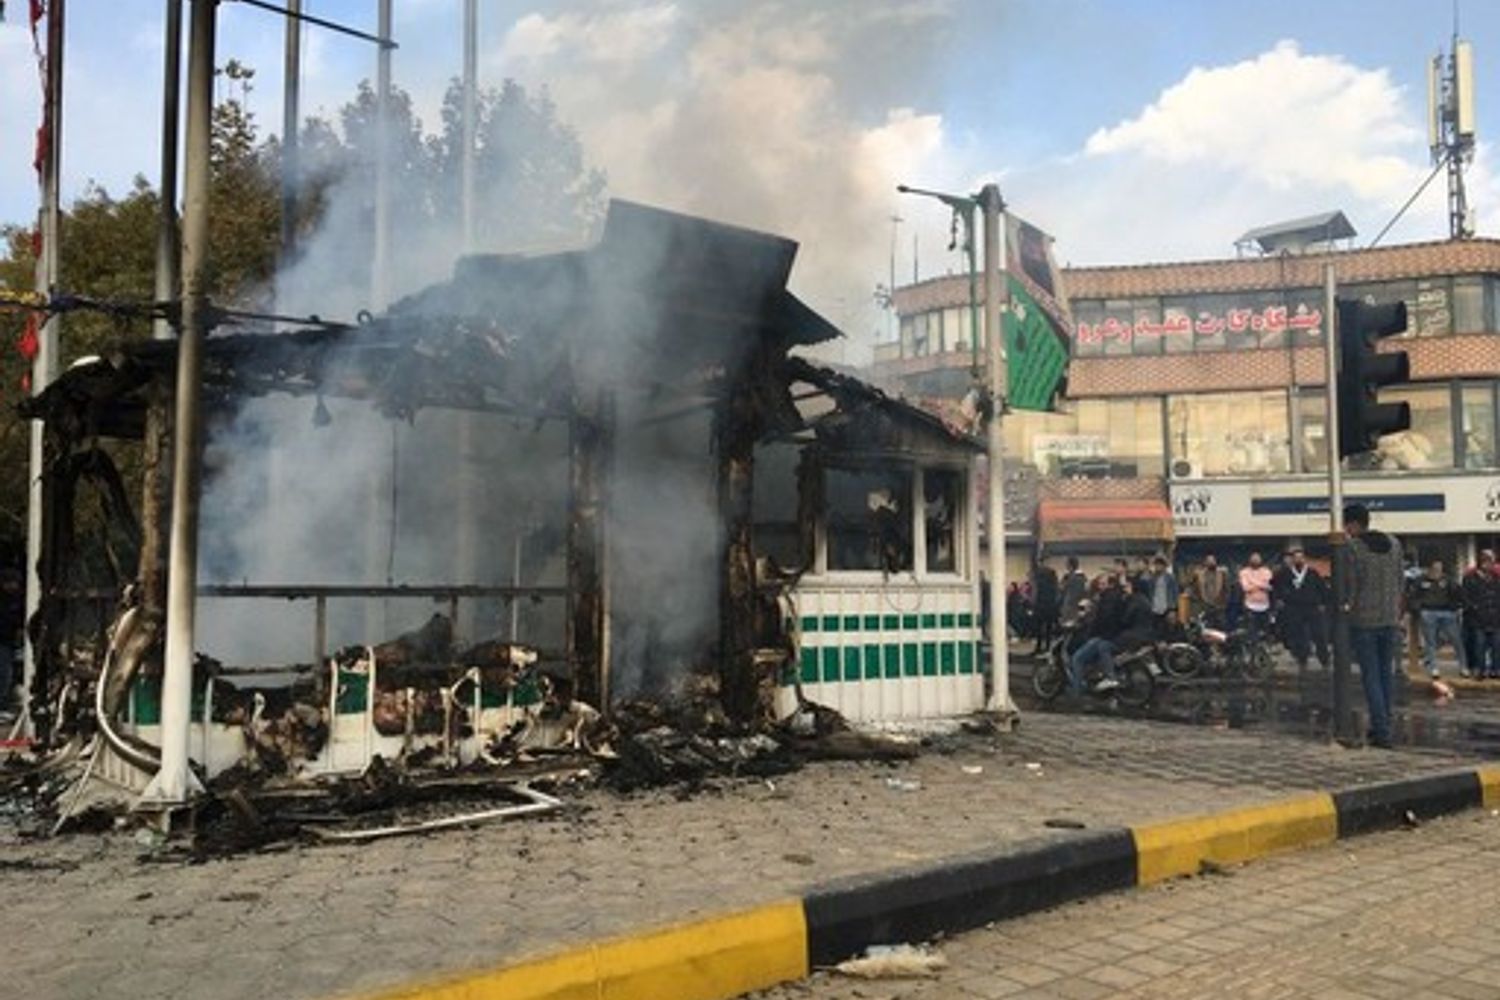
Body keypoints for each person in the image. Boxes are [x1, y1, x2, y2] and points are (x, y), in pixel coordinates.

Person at [1342, 503, 1404, 749]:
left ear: (1353, 524)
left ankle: (1381, 731)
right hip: (1390, 619)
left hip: (1364, 621)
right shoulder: (1394, 544)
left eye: (1347, 525)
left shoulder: (1353, 547)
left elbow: (1351, 585)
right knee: (1385, 674)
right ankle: (1384, 724)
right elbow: (1400, 581)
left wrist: (1347, 607)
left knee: (1371, 678)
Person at [1408, 559, 1466, 679]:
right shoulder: (1420, 581)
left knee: (1456, 640)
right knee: (1430, 641)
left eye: (1440, 568)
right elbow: (1413, 596)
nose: (1437, 571)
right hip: (1428, 611)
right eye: (1435, 568)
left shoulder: (1448, 580)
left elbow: (1458, 593)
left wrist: (1456, 606)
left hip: (1447, 612)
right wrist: (1418, 608)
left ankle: (1463, 667)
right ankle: (1433, 668)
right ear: (1430, 569)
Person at [1274, 548, 1329, 672]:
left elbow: (1322, 588)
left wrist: (1323, 603)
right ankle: (1302, 659)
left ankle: (1324, 659)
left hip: (1312, 607)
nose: (1298, 559)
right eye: (1296, 557)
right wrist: (1280, 599)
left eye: (1301, 557)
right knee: (1298, 635)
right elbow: (1275, 586)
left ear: (1304, 559)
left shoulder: (1312, 573)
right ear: (1293, 559)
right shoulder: (1285, 573)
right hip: (1294, 608)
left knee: (1318, 634)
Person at [1461, 550, 1500, 679]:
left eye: (1491, 561)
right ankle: (1480, 670)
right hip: (1478, 619)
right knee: (1479, 645)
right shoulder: (1470, 577)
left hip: (1495, 618)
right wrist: (1473, 608)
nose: (1489, 564)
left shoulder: (1497, 577)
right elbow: (1465, 597)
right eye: (1486, 561)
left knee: (1496, 645)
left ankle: (1496, 670)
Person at [1238, 552, 1274, 645]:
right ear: (1249, 560)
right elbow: (1245, 588)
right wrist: (1262, 584)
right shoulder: (1244, 572)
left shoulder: (1267, 571)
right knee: (1252, 631)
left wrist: (1253, 583)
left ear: (1261, 560)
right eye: (1253, 559)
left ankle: (1265, 650)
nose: (1255, 561)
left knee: (1266, 631)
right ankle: (1253, 650)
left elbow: (1270, 587)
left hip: (1265, 606)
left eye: (1257, 559)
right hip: (1250, 606)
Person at [1190, 554, 1230, 628]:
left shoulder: (1222, 573)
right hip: (1204, 605)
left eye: (1212, 560)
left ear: (1216, 562)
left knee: (1220, 627)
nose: (1211, 562)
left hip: (1219, 606)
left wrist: (1224, 602)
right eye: (1209, 561)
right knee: (1205, 628)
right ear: (1205, 563)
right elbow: (1193, 588)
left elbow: (1227, 589)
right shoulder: (1199, 574)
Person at [1031, 556, 1060, 655]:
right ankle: (1046, 647)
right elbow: (1056, 588)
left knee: (1041, 627)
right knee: (1047, 627)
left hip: (1042, 603)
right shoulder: (1052, 573)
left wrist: (1033, 602)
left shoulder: (1038, 573)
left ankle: (1040, 647)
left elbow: (1035, 589)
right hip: (1048, 603)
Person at [1146, 555, 1179, 633]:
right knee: (1156, 630)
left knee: (1168, 630)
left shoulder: (1170, 578)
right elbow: (1150, 592)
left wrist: (1173, 609)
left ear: (1164, 566)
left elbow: (1175, 593)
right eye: (1156, 564)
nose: (1158, 566)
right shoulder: (1152, 578)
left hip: (1167, 608)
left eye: (1160, 564)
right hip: (1155, 608)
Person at [1058, 555, 1089, 629]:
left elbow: (1062, 589)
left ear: (1070, 565)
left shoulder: (1070, 578)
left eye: (1066, 564)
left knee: (1068, 629)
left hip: (1069, 607)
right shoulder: (1083, 578)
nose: (1065, 566)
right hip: (1077, 607)